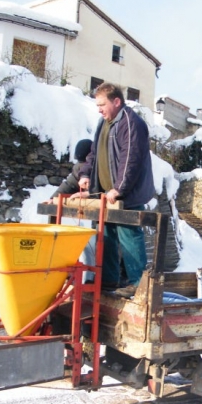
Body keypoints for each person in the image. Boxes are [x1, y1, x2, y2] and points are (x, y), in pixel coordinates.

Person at [77, 83, 154, 298]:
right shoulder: (104, 122)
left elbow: (131, 159)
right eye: (97, 105)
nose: (99, 109)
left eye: (102, 104)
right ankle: (109, 280)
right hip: (105, 194)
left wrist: (118, 188)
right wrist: (85, 175)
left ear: (117, 101)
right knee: (107, 235)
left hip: (126, 195)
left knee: (129, 235)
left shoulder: (131, 123)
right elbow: (94, 153)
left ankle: (138, 285)